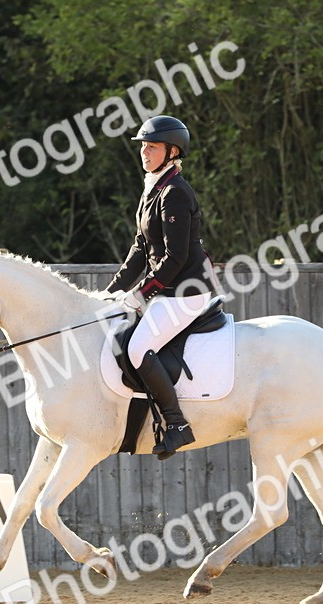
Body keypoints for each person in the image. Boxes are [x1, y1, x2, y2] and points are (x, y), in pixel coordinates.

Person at [104, 115, 214, 459]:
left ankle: (177, 424)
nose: (144, 152)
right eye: (143, 147)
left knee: (137, 349)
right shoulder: (153, 188)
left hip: (187, 291)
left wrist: (141, 294)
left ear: (172, 151)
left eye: (151, 147)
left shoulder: (176, 193)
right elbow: (140, 248)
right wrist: (111, 292)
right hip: (167, 289)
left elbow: (176, 257)